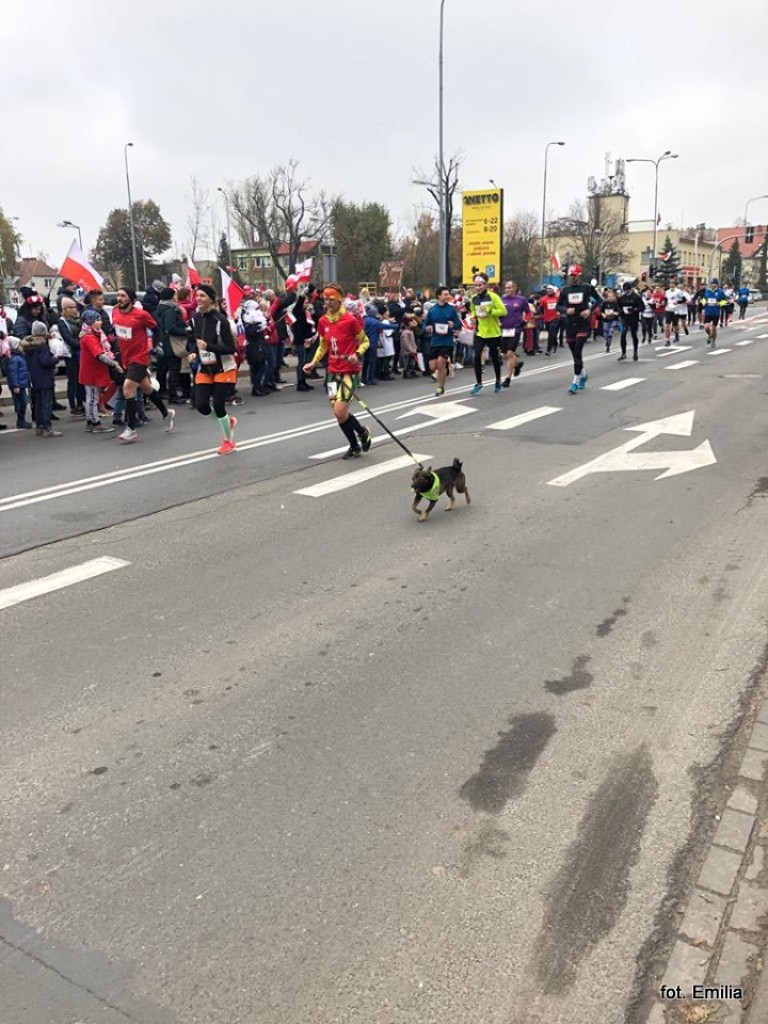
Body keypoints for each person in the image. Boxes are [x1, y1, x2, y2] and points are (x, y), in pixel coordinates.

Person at [303, 283, 372, 459]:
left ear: (339, 299)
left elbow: (365, 341)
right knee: (337, 412)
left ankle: (362, 432)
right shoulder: (323, 321)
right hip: (332, 372)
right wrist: (313, 362)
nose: (328, 302)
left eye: (331, 299)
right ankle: (355, 444)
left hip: (349, 371)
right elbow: (323, 345)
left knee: (341, 410)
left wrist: (357, 354)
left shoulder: (350, 320)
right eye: (325, 299)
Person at [111, 287, 175, 443]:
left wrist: (156, 344)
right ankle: (166, 413)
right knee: (147, 388)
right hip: (125, 359)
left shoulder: (141, 315)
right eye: (118, 295)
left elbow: (156, 328)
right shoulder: (115, 312)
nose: (119, 298)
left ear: (131, 299)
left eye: (123, 296)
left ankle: (131, 429)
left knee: (128, 389)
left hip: (139, 358)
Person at [191, 284, 238, 455]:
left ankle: (228, 441)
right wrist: (193, 353)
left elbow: (230, 348)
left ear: (211, 298)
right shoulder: (195, 318)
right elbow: (196, 343)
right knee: (201, 405)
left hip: (223, 367)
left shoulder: (221, 320)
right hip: (205, 368)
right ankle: (227, 421)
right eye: (197, 296)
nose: (198, 299)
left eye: (202, 296)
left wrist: (208, 347)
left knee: (218, 405)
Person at [556, 264, 601, 393]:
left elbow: (599, 300)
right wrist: (566, 310)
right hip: (570, 323)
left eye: (575, 276)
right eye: (571, 276)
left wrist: (589, 310)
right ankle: (583, 374)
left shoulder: (586, 287)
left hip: (583, 323)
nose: (572, 278)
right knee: (574, 353)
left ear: (579, 275)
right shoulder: (565, 290)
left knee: (577, 351)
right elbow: (558, 306)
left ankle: (575, 382)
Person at [78, 308, 120, 433]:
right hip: (91, 373)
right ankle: (95, 423)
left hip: (93, 371)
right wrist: (114, 363)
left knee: (92, 398)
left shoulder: (92, 335)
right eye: (97, 320)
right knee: (92, 399)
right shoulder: (89, 338)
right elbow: (99, 355)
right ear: (90, 322)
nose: (100, 322)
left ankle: (91, 421)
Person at [22, 321, 62, 436]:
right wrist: (55, 358)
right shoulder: (42, 345)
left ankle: (39, 427)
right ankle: (47, 427)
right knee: (46, 404)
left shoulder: (28, 345)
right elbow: (46, 362)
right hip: (44, 378)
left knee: (38, 403)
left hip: (34, 378)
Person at [469, 273, 507, 395]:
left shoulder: (493, 297)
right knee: (476, 356)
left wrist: (490, 311)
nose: (478, 287)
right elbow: (473, 311)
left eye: (480, 285)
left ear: (485, 285)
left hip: (493, 333)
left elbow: (503, 311)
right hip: (480, 332)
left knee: (495, 358)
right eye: (476, 285)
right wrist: (473, 317)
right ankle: (479, 383)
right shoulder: (474, 298)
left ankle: (497, 381)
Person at [423, 285, 462, 395]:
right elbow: (425, 324)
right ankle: (448, 369)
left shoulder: (451, 309)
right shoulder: (432, 310)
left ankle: (440, 387)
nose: (447, 296)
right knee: (433, 366)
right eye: (445, 294)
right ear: (438, 296)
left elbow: (459, 324)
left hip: (447, 341)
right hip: (435, 341)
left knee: (440, 364)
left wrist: (454, 324)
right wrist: (427, 327)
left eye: (448, 294)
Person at [155, 287, 191, 404]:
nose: (176, 297)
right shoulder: (170, 310)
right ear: (171, 297)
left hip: (164, 343)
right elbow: (170, 328)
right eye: (175, 295)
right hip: (172, 344)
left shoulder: (161, 308)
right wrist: (186, 331)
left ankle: (172, 394)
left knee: (171, 369)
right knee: (174, 370)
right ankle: (173, 396)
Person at [57, 297, 86, 416]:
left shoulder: (78, 320)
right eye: (70, 307)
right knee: (73, 380)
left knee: (80, 381)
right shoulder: (62, 322)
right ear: (64, 309)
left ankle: (80, 403)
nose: (73, 310)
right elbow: (67, 338)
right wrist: (81, 345)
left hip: (80, 353)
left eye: (74, 307)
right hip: (71, 354)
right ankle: (73, 406)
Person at [498, 280, 529, 386]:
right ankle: (516, 365)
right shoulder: (501, 299)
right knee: (505, 354)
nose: (507, 290)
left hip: (515, 329)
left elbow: (528, 312)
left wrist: (525, 321)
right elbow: (498, 312)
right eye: (506, 288)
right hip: (504, 329)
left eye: (509, 288)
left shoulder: (521, 300)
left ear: (515, 288)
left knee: (510, 353)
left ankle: (507, 379)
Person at [6, 337, 32, 428]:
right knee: (23, 402)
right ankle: (20, 421)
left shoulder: (19, 357)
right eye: (20, 345)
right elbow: (13, 374)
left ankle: (21, 420)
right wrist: (15, 385)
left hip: (21, 384)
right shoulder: (14, 359)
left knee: (23, 402)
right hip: (18, 385)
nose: (22, 347)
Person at [617, 283, 644, 361]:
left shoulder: (636, 297)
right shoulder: (622, 297)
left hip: (633, 318)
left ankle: (635, 352)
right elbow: (618, 306)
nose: (626, 292)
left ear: (630, 289)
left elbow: (642, 307)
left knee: (633, 335)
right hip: (625, 318)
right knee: (623, 335)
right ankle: (623, 353)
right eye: (624, 290)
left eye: (627, 290)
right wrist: (621, 311)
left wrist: (634, 309)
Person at [701, 278, 727, 346]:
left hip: (716, 312)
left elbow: (725, 301)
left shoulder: (720, 292)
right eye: (712, 284)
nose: (713, 285)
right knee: (706, 327)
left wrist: (719, 303)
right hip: (708, 312)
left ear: (717, 284)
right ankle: (710, 335)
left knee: (714, 328)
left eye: (714, 284)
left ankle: (713, 341)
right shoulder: (707, 291)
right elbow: (704, 299)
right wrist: (703, 303)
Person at [540, 284, 560, 356]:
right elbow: (541, 308)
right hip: (547, 318)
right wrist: (543, 315)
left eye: (550, 289)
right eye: (547, 289)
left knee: (551, 333)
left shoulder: (557, 297)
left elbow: (561, 306)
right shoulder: (543, 299)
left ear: (553, 290)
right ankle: (555, 343)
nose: (548, 290)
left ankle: (549, 350)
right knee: (551, 333)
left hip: (555, 317)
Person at [600, 287, 621, 354]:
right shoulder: (604, 302)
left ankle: (608, 345)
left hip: (613, 320)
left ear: (613, 296)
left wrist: (614, 313)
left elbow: (619, 312)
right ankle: (607, 341)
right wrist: (603, 314)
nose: (610, 297)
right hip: (606, 320)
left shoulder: (615, 303)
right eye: (609, 296)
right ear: (607, 297)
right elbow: (601, 311)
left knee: (610, 332)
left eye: (611, 296)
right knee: (605, 331)